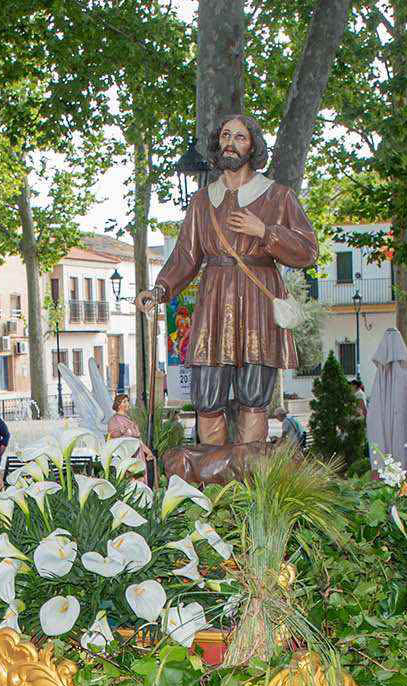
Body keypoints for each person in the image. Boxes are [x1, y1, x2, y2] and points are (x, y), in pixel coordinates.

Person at [139, 112, 320, 464]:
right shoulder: (203, 201)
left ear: (253, 146)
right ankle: (212, 483)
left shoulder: (278, 197)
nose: (230, 143)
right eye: (225, 136)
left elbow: (308, 251)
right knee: (207, 398)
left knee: (254, 396)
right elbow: (186, 256)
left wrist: (265, 232)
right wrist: (160, 290)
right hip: (215, 299)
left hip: (257, 302)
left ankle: (245, 480)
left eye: (239, 137)